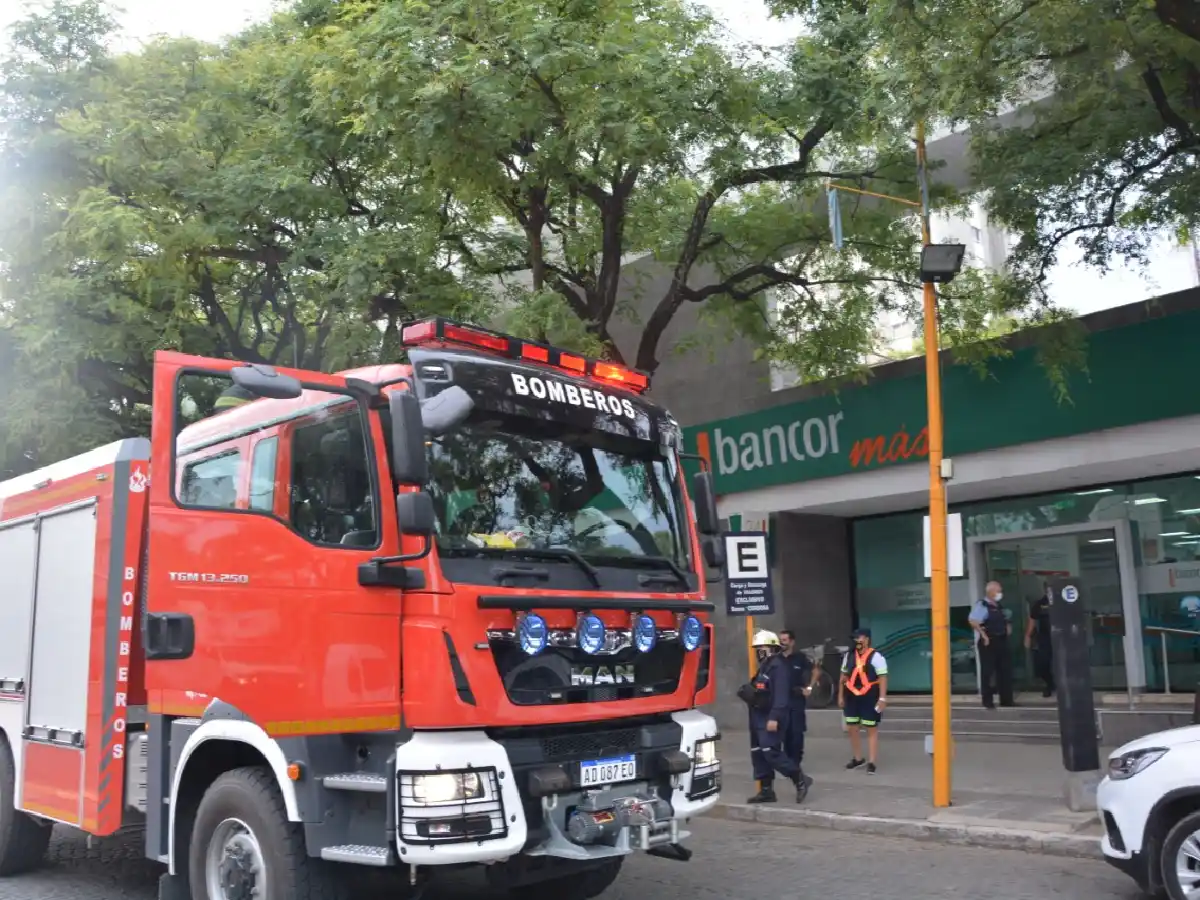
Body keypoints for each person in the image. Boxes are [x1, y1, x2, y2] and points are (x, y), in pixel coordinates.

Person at [738, 630, 811, 804]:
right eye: (756, 648)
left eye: (761, 648)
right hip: (757, 716)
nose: (758, 651)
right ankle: (766, 790)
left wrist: (774, 718)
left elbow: (781, 696)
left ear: (771, 648)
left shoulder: (778, 667)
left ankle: (799, 778)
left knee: (771, 752)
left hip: (769, 717)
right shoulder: (765, 666)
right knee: (758, 754)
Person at [838, 627, 888, 774]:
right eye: (854, 638)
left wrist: (882, 698)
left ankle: (872, 761)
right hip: (851, 695)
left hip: (869, 695)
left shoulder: (876, 656)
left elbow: (883, 677)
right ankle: (858, 758)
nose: (856, 641)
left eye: (859, 638)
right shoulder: (848, 656)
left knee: (870, 728)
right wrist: (840, 696)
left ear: (866, 639)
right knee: (852, 727)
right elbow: (843, 677)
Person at [970, 580, 1015, 709]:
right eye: (998, 591)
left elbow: (1006, 620)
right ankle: (988, 701)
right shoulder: (982, 605)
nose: (1000, 593)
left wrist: (1008, 628)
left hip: (1002, 640)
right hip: (988, 641)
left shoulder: (998, 606)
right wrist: (983, 635)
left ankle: (1006, 700)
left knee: (1005, 671)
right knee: (988, 672)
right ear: (990, 592)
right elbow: (973, 621)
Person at [779, 630, 815, 779]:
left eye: (785, 640)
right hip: (780, 703)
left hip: (796, 702)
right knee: (785, 735)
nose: (782, 643)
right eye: (780, 640)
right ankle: (789, 764)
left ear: (792, 642)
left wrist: (809, 687)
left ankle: (795, 765)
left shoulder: (800, 658)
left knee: (796, 734)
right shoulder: (776, 659)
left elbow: (815, 670)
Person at [1025, 583, 1055, 697]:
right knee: (1043, 663)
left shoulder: (1062, 601)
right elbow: (1032, 620)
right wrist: (1027, 636)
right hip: (1045, 637)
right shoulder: (1040, 603)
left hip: (1061, 637)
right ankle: (1049, 683)